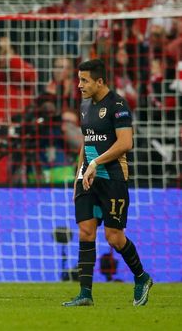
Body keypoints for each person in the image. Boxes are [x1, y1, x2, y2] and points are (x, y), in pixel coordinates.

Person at [63, 59, 153, 307]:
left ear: (100, 81)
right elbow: (87, 140)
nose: (79, 85)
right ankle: (85, 294)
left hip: (112, 177)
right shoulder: (84, 107)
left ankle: (141, 277)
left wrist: (96, 163)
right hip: (88, 177)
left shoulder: (118, 105)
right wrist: (79, 175)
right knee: (85, 231)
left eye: (84, 80)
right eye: (79, 79)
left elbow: (125, 143)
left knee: (114, 237)